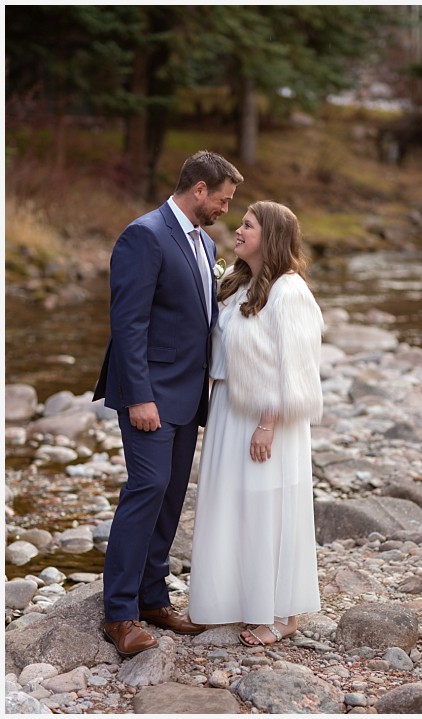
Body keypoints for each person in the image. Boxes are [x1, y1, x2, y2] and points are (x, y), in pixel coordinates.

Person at [94, 151, 244, 656]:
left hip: (187, 395)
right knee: (147, 488)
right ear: (198, 190)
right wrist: (139, 396)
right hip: (150, 394)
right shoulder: (145, 235)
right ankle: (119, 613)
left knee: (171, 495)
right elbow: (128, 323)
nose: (226, 208)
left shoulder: (204, 242)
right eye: (223, 199)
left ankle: (153, 596)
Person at [187, 200, 324, 647]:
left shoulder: (290, 292)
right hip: (228, 406)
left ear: (272, 236)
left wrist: (267, 423)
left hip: (266, 417)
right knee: (230, 503)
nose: (238, 229)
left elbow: (295, 369)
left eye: (248, 224)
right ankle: (232, 599)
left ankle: (281, 614)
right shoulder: (239, 284)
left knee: (268, 507)